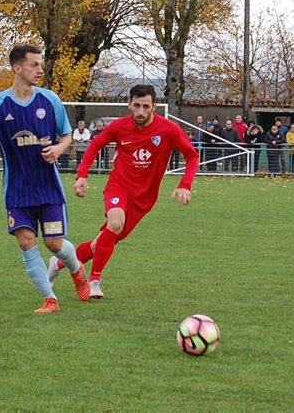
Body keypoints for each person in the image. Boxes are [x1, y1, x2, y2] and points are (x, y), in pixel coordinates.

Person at [0, 44, 89, 314]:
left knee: (53, 244)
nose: (40, 70)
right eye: (34, 65)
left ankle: (77, 270)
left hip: (48, 188)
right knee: (26, 241)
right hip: (17, 190)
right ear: (17, 68)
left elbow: (66, 136)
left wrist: (59, 149)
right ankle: (50, 299)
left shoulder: (50, 100)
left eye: (41, 64)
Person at [48, 84, 199, 299]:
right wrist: (82, 175)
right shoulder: (119, 127)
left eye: (146, 106)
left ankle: (59, 262)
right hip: (119, 186)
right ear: (129, 104)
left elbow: (192, 156)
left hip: (145, 198)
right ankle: (94, 281)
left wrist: (185, 184)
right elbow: (94, 146)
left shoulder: (168, 130)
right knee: (115, 223)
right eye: (136, 105)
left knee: (102, 242)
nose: (140, 111)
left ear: (154, 106)